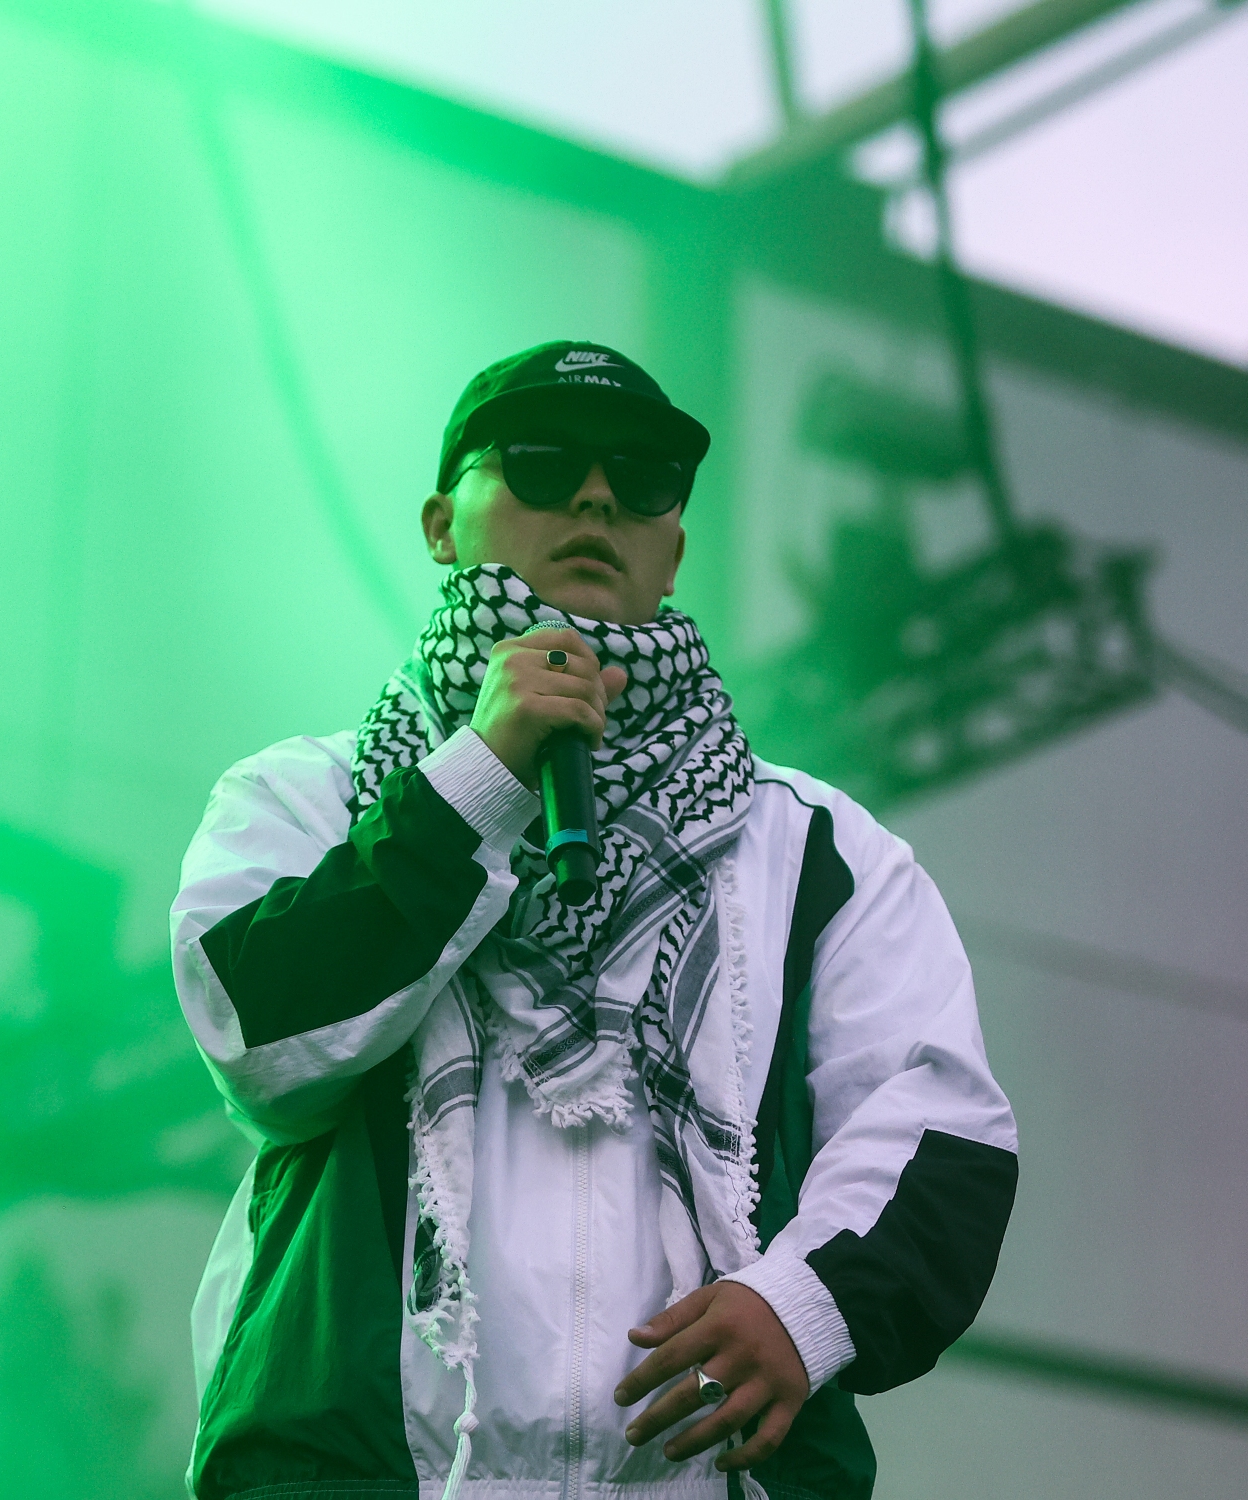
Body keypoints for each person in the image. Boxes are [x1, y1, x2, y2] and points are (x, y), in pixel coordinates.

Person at [172, 341, 1017, 1500]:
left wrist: (805, 1307)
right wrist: (480, 779)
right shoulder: (303, 797)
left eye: (642, 477)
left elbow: (940, 1126)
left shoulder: (820, 853)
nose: (596, 496)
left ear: (674, 548)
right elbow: (258, 1042)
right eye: (541, 459)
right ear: (439, 523)